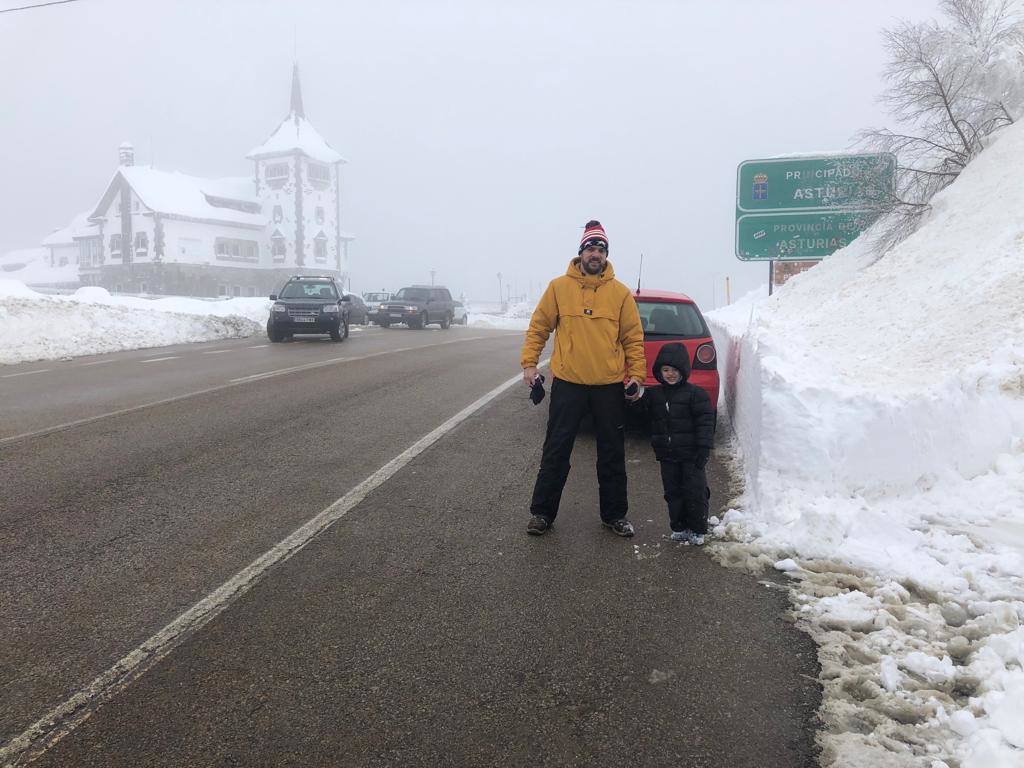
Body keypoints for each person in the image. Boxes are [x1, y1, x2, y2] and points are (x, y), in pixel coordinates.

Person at [520, 220, 646, 537]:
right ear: (581, 253)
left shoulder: (620, 294)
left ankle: (615, 515)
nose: (595, 254)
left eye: (601, 250)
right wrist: (529, 364)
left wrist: (638, 376)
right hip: (568, 384)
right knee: (556, 450)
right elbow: (539, 327)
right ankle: (541, 514)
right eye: (591, 248)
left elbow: (633, 339)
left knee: (612, 454)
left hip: (608, 386)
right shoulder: (558, 288)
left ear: (606, 255)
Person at [645, 342, 716, 544]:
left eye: (675, 370)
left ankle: (698, 529)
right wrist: (632, 397)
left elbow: (705, 422)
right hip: (667, 455)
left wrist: (703, 448)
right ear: (659, 371)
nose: (670, 374)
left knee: (695, 492)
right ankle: (679, 526)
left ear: (683, 371)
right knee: (673, 493)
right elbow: (639, 412)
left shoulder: (696, 395)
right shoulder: (655, 395)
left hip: (691, 456)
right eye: (665, 370)